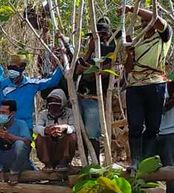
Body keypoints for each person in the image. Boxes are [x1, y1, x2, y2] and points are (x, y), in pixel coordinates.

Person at [123, 5, 172, 168]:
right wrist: (129, 52)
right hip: (135, 85)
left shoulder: (164, 36)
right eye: (143, 22)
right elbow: (128, 68)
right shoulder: (138, 40)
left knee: (153, 126)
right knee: (135, 125)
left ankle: (146, 161)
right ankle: (136, 161)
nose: (145, 24)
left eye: (148, 21)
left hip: (156, 84)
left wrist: (132, 8)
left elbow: (158, 20)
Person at [75, 18, 117, 162]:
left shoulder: (110, 54)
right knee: (81, 133)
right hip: (79, 97)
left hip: (94, 99)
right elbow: (78, 69)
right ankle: (86, 163)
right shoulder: (90, 54)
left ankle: (96, 163)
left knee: (92, 133)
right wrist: (89, 52)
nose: (94, 40)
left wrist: (86, 70)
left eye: (98, 36)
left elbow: (100, 73)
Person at [0, 54, 62, 131]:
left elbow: (52, 82)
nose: (13, 78)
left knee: (21, 143)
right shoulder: (2, 85)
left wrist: (61, 64)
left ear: (22, 70)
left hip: (25, 127)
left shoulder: (31, 84)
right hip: (6, 126)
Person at [0, 100, 32, 183]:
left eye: (4, 113)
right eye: (0, 112)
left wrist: (10, 137)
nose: (1, 115)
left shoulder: (21, 124)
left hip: (15, 160)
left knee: (20, 144)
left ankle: (14, 172)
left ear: (12, 113)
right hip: (0, 159)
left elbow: (27, 142)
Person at [34, 89, 77, 171]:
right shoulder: (43, 114)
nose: (53, 104)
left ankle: (63, 163)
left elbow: (74, 127)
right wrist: (46, 130)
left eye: (57, 101)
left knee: (72, 136)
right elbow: (36, 128)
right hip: (49, 146)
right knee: (40, 138)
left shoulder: (70, 113)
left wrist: (63, 128)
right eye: (51, 101)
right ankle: (47, 164)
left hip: (63, 144)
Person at [157, 81, 174, 193]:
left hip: (168, 132)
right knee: (169, 168)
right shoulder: (159, 87)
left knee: (170, 167)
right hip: (160, 132)